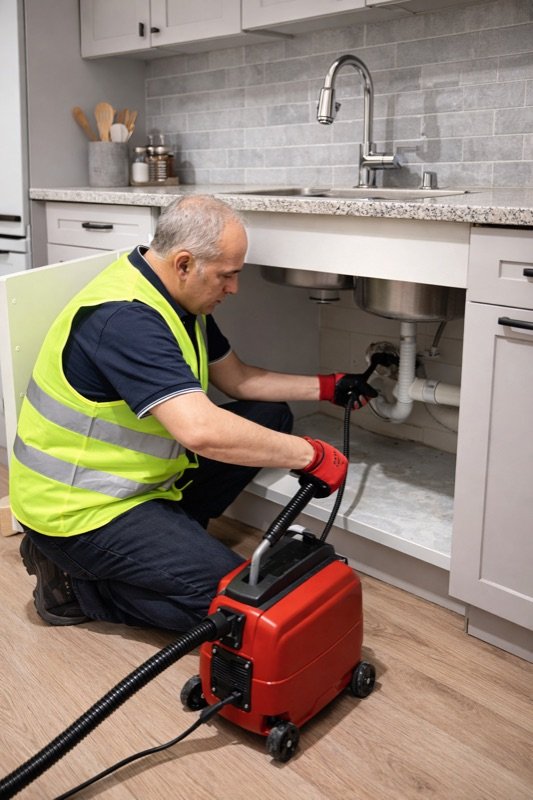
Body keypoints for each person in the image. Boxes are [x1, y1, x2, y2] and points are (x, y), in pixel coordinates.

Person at [10, 195, 376, 632]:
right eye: (228, 276)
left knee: (270, 415)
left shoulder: (177, 299)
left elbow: (239, 381)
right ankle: (75, 584)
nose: (235, 288)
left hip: (141, 484)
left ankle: (169, 540)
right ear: (184, 263)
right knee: (242, 611)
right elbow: (200, 431)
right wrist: (310, 455)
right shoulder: (127, 320)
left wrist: (328, 387)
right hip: (81, 512)